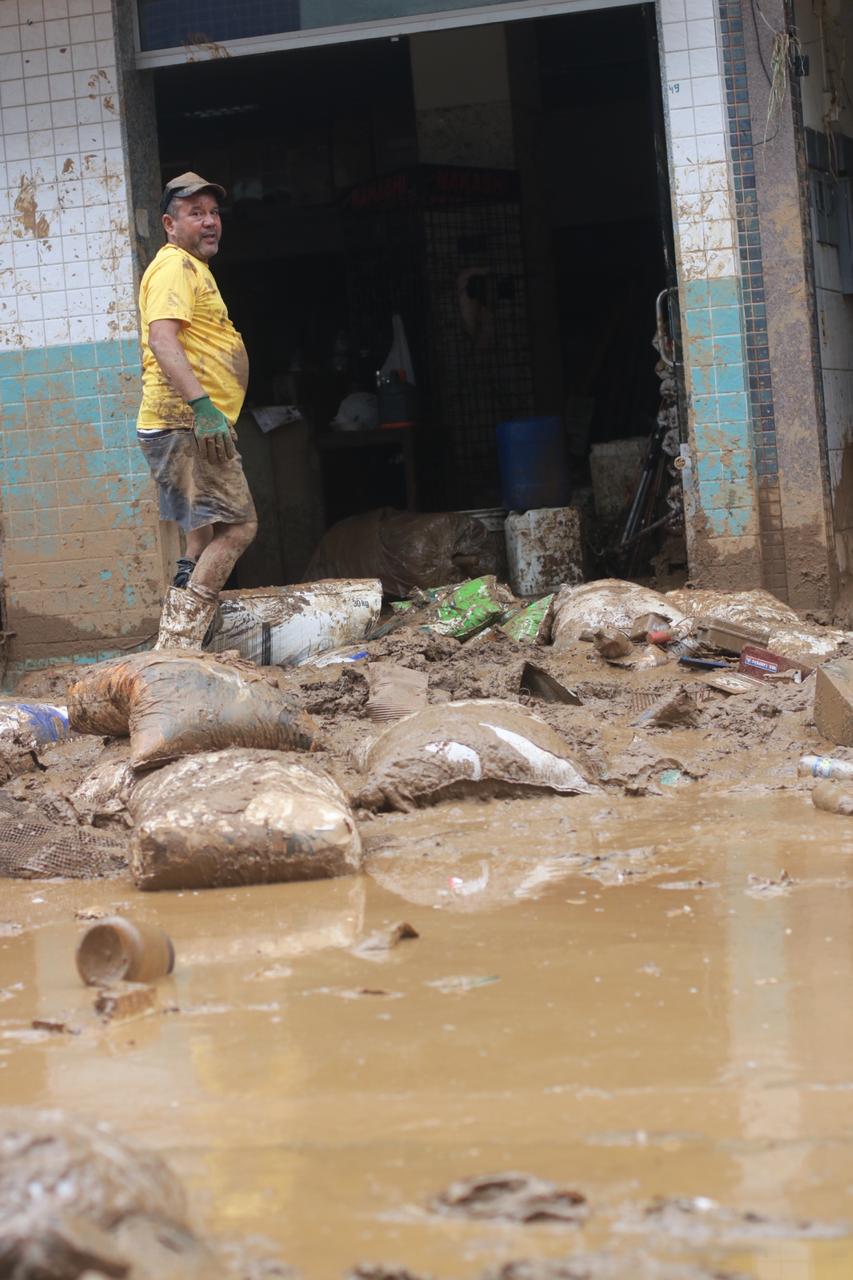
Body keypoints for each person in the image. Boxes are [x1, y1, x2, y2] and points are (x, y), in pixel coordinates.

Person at [136, 171, 257, 649]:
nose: (209, 222)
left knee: (202, 532)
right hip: (187, 424)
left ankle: (184, 612)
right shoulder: (174, 269)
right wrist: (203, 407)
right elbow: (162, 338)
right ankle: (180, 640)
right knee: (241, 525)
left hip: (182, 425)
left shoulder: (191, 268)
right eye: (195, 213)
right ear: (169, 223)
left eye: (213, 212)